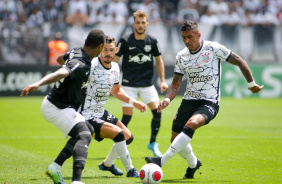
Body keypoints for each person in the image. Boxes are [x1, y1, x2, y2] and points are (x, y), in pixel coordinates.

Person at [145, 21, 264, 179]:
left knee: (191, 124)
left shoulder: (213, 49)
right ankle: (194, 164)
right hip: (188, 101)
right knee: (175, 139)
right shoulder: (181, 56)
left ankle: (161, 161)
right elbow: (175, 83)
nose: (187, 41)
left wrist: (251, 84)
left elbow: (240, 61)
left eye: (190, 37)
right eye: (183, 38)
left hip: (209, 101)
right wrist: (167, 99)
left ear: (199, 35)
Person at [50, 36, 147, 183]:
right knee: (118, 134)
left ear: (116, 50)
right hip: (86, 114)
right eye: (105, 50)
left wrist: (135, 103)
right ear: (100, 49)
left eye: (111, 50)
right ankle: (130, 170)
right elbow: (67, 65)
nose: (108, 53)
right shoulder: (91, 64)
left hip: (100, 111)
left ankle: (107, 164)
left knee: (128, 137)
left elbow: (116, 91)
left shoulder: (115, 67)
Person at [20, 29, 106, 184]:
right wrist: (38, 83)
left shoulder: (76, 51)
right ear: (100, 47)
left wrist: (66, 64)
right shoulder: (80, 63)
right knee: (85, 135)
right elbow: (61, 72)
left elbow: (61, 59)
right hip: (57, 107)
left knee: (89, 130)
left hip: (60, 105)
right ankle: (77, 181)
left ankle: (55, 167)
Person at [113, 10, 168, 157]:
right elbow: (114, 61)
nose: (140, 25)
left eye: (143, 22)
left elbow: (159, 60)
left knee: (157, 113)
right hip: (128, 85)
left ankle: (152, 143)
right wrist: (111, 79)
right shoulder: (124, 40)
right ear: (133, 24)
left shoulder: (152, 41)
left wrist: (162, 80)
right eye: (138, 22)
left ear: (147, 24)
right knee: (127, 117)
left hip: (147, 85)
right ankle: (121, 146)